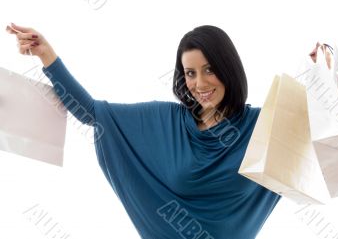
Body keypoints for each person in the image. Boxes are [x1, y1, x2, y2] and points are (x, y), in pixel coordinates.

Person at [6, 23, 281, 239]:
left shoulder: (263, 127)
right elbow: (92, 112)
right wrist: (46, 55)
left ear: (228, 67)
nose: (199, 83)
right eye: (190, 73)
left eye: (209, 70)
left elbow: (316, 139)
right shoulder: (166, 121)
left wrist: (321, 73)